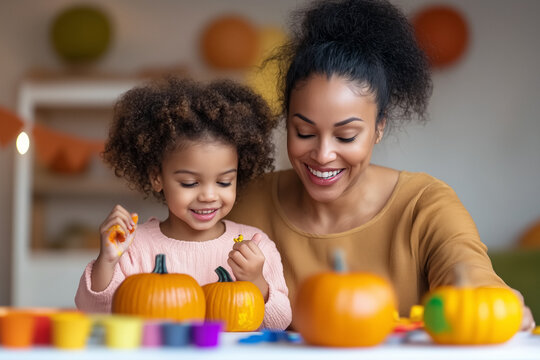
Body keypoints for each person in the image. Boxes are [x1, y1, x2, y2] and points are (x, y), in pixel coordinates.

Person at [228, 0, 534, 330]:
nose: (323, 154)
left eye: (345, 136)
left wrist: (490, 302)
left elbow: (471, 275)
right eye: (304, 132)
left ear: (379, 128)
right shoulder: (245, 203)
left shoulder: (424, 204)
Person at [75, 77, 292, 330]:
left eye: (224, 183)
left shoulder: (254, 245)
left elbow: (279, 323)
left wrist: (256, 281)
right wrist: (108, 260)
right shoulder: (134, 246)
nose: (209, 196)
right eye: (190, 183)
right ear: (158, 177)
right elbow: (93, 313)